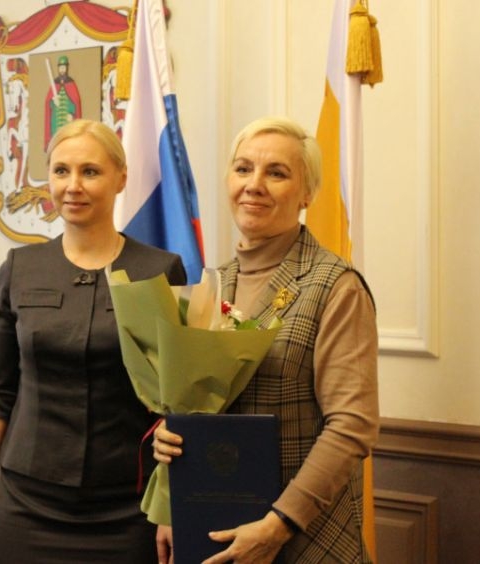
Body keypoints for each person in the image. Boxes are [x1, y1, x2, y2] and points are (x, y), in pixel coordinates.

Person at [153, 116, 379, 564]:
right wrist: (173, 448)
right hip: (216, 534)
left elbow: (352, 427)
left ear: (307, 193)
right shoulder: (213, 283)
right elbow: (201, 405)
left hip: (306, 540)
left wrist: (279, 525)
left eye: (276, 173)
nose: (254, 185)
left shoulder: (336, 285)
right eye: (243, 169)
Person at [0, 119, 187, 564]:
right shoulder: (19, 269)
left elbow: (179, 401)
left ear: (121, 178)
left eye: (90, 171)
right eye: (61, 171)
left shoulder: (160, 270)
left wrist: (171, 506)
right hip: (27, 503)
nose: (73, 185)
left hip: (130, 508)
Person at [44, 55, 82, 150]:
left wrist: (72, 114)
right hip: (56, 122)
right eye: (60, 68)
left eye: (63, 67)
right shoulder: (55, 83)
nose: (62, 70)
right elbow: (48, 102)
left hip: (67, 120)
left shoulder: (71, 83)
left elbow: (75, 101)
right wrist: (53, 101)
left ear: (67, 68)